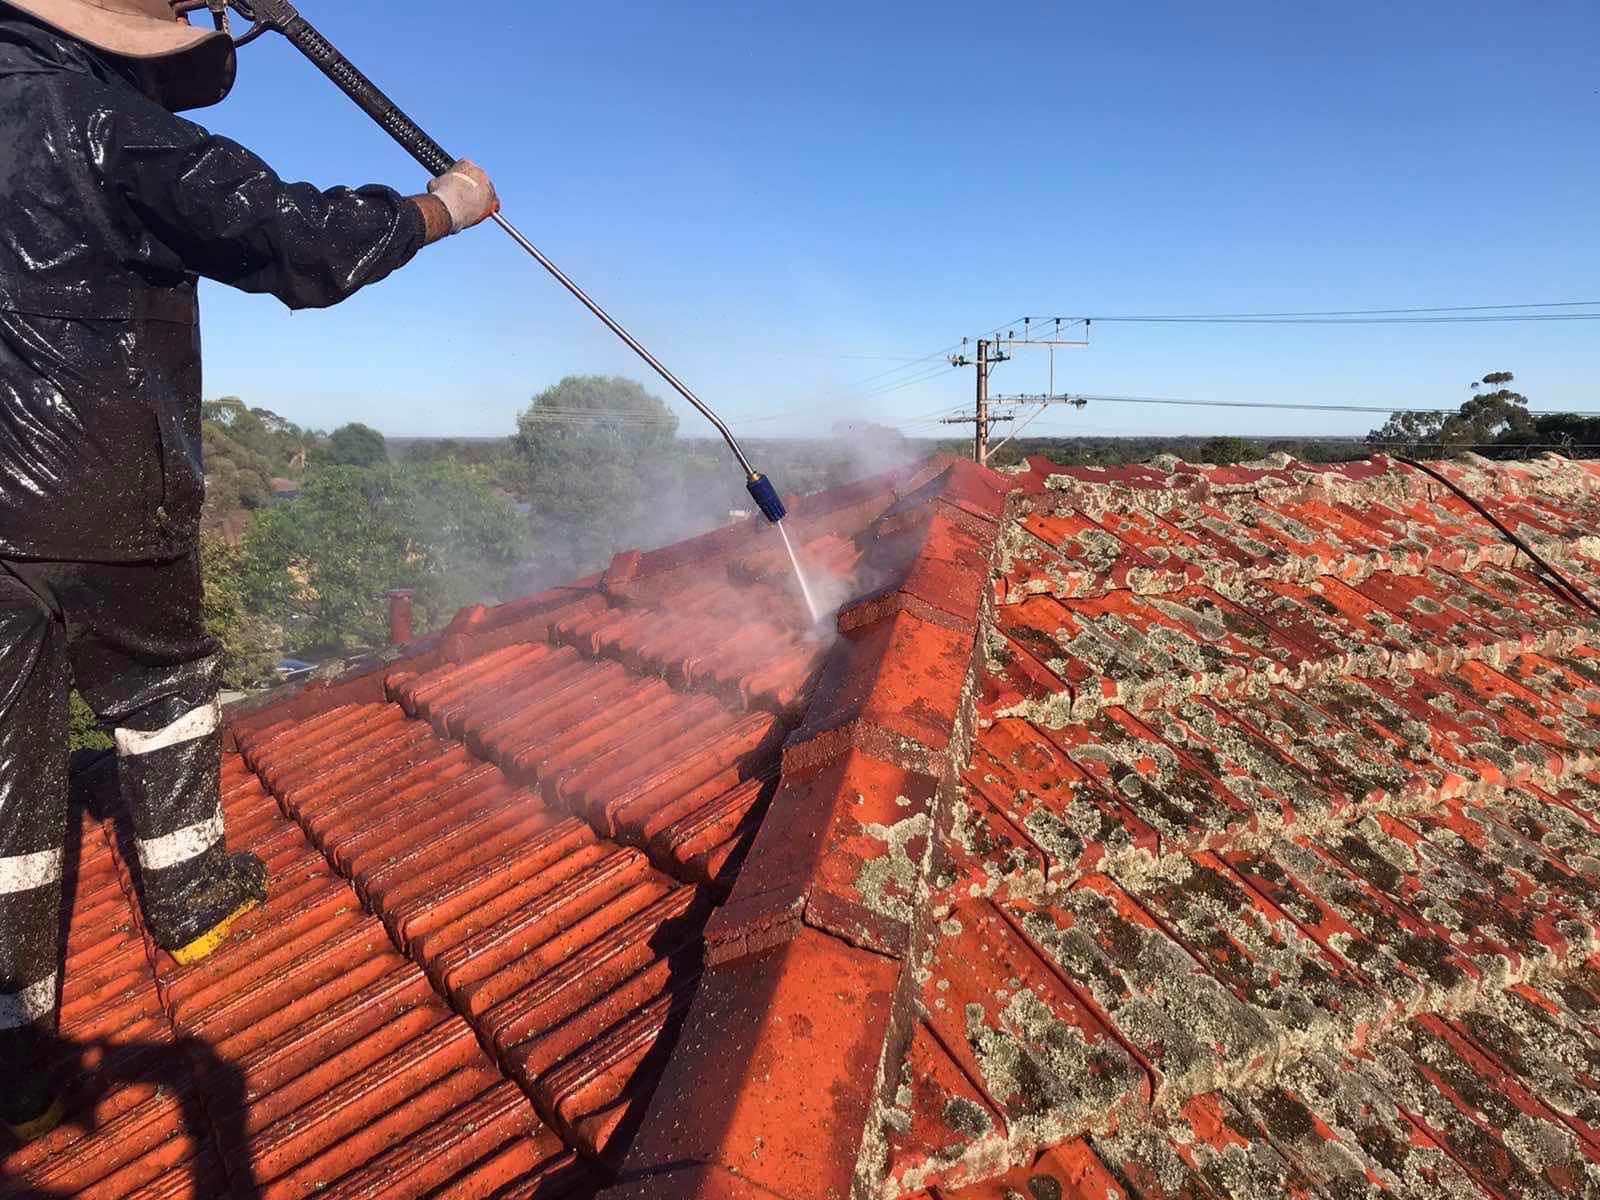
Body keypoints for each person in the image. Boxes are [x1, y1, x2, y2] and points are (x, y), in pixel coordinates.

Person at [0, 0, 498, 1141]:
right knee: (163, 684)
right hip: (103, 496)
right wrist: (442, 208)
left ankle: (14, 1062)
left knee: (3, 769)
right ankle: (191, 897)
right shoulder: (101, 120)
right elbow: (296, 240)